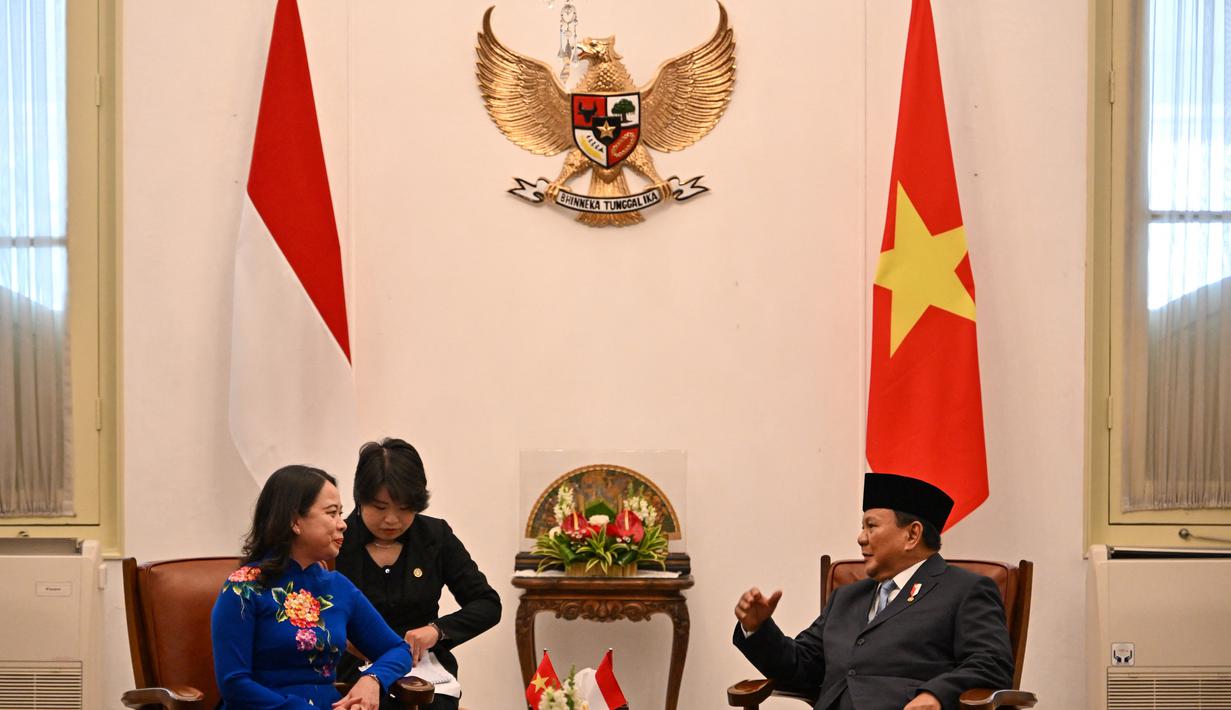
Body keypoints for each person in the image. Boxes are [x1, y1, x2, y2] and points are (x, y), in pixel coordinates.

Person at [733, 472, 1014, 710]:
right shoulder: (846, 597)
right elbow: (800, 668)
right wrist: (757, 629)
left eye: (872, 526)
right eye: (862, 526)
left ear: (912, 535)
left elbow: (992, 663)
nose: (860, 537)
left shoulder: (965, 589)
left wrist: (937, 694)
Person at [211, 465, 412, 710]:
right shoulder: (243, 588)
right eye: (331, 513)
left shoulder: (338, 587)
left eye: (341, 513)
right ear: (295, 520)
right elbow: (234, 684)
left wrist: (372, 679)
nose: (343, 524)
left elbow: (397, 650)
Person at [335, 438, 501, 710]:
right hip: (351, 670)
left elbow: (487, 604)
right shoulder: (336, 540)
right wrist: (340, 637)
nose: (392, 520)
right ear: (360, 498)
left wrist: (436, 631)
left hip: (422, 676)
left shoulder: (435, 537)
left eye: (404, 509)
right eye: (379, 507)